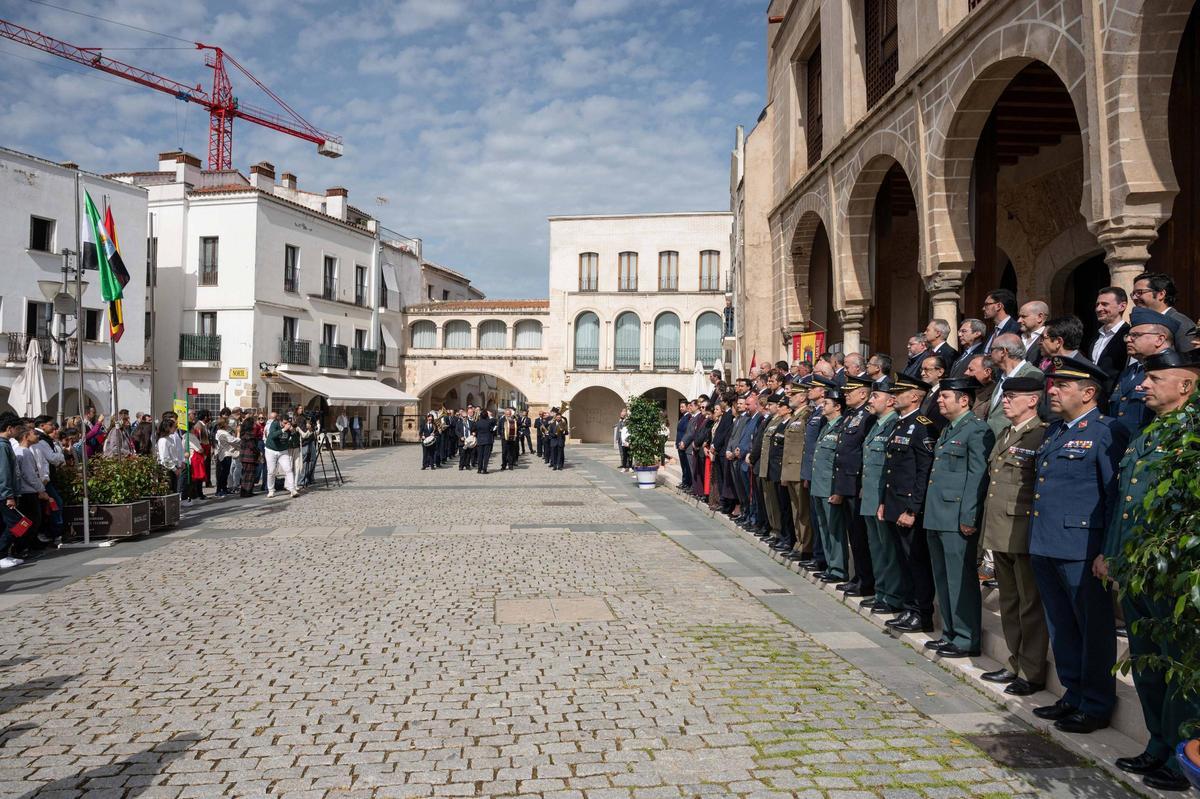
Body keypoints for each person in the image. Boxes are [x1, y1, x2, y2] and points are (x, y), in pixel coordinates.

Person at [1098, 349, 1200, 792]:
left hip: (1172, 572)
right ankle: (1158, 742)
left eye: (1155, 379)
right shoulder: (1147, 432)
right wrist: (1110, 553)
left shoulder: (1191, 434)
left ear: (1186, 385)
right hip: (1137, 569)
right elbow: (1125, 503)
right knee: (1147, 662)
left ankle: (1182, 755)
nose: (1143, 385)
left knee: (1177, 666)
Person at [1030, 356, 1124, 735]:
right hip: (1047, 541)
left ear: (1088, 393)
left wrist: (1108, 549)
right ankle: (1073, 692)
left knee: (1093, 629)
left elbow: (1114, 495)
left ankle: (1097, 703)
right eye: (1053, 385)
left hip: (1083, 547)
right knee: (1061, 625)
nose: (1052, 391)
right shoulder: (1055, 431)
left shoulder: (1107, 431)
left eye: (1062, 386)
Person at [977, 375, 1051, 694]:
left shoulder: (1041, 435)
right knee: (1009, 601)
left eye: (1012, 397)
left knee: (1029, 603)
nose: (1005, 401)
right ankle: (1014, 662)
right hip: (999, 531)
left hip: (1022, 532)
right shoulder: (1007, 433)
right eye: (1004, 396)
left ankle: (1031, 671)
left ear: (1032, 400)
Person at [922, 377, 994, 658]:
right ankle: (950, 632)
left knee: (960, 580)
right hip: (938, 514)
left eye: (945, 396)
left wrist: (969, 516)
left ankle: (966, 638)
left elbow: (978, 477)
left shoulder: (977, 431)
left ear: (964, 400)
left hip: (956, 517)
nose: (939, 400)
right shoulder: (949, 429)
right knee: (943, 577)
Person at [880, 375, 940, 633]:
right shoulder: (899, 424)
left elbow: (923, 472)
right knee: (903, 561)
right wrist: (884, 502)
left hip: (908, 507)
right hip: (894, 503)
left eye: (900, 392)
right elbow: (892, 468)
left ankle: (921, 612)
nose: (894, 396)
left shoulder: (923, 425)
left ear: (915, 396)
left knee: (916, 561)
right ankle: (908, 607)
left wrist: (912, 509)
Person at [831, 373, 877, 598]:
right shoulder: (851, 415)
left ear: (863, 393)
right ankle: (858, 577)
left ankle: (866, 581)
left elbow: (863, 451)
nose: (845, 394)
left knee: (861, 536)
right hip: (846, 481)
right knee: (854, 536)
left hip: (856, 481)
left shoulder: (867, 416)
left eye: (850, 391)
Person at [860, 377, 903, 615]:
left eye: (876, 396)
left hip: (882, 496)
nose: (871, 399)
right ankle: (881, 591)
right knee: (876, 547)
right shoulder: (876, 424)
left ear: (891, 400)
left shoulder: (894, 424)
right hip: (870, 494)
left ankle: (892, 596)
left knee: (888, 549)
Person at [1109, 307, 1176, 441]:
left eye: (1136, 335)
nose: (1128, 340)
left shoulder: (1174, 370)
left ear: (1159, 339)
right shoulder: (1130, 370)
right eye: (1128, 335)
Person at [809, 380, 847, 584]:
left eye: (827, 403)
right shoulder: (826, 426)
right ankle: (830, 564)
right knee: (823, 526)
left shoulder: (841, 426)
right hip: (819, 484)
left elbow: (839, 461)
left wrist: (837, 489)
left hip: (830, 486)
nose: (823, 405)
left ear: (837, 406)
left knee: (834, 528)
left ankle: (839, 568)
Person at [985, 334, 1043, 436]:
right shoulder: (1002, 376)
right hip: (995, 441)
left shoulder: (1032, 374)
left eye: (992, 350)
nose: (989, 355)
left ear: (1003, 351)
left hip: (1015, 440)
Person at [1131, 271, 1195, 352]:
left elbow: (1189, 360)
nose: (1134, 298)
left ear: (1161, 294)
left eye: (1139, 292)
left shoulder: (1180, 323)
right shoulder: (1141, 322)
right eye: (1133, 294)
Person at [1086, 287, 1131, 381]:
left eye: (1104, 304)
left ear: (1122, 306)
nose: (1098, 309)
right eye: (1097, 304)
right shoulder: (1096, 336)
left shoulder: (1129, 335)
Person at [264, 416, 300, 498]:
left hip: (283, 451)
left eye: (288, 423)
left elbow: (295, 441)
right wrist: (283, 429)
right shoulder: (275, 424)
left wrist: (293, 432)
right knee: (271, 471)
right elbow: (272, 436)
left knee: (288, 469)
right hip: (271, 450)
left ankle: (292, 489)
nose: (286, 425)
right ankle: (271, 490)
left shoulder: (289, 427)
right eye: (284, 423)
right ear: (280, 421)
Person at [982, 288, 1020, 352]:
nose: (983, 308)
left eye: (987, 304)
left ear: (999, 306)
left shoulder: (1016, 330)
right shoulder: (993, 332)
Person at [156, 418, 185, 497]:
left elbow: (174, 455)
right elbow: (165, 458)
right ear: (168, 428)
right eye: (174, 427)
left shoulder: (170, 439)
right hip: (167, 469)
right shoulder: (163, 440)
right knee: (169, 490)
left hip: (173, 468)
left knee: (174, 489)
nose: (175, 428)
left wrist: (179, 464)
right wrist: (174, 469)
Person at [1017, 301, 1049, 365]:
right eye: (1019, 316)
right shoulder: (1016, 335)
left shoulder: (1050, 338)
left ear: (1040, 317)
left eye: (1023, 316)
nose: (1019, 320)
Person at [213, 417, 239, 497]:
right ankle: (219, 490)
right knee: (223, 473)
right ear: (224, 424)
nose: (228, 424)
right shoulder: (223, 433)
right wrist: (238, 433)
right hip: (225, 454)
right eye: (227, 423)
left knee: (225, 473)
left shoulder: (219, 432)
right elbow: (233, 440)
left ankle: (223, 488)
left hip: (223, 453)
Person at [238, 416, 260, 498]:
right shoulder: (249, 435)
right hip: (249, 457)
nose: (255, 424)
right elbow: (252, 446)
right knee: (248, 475)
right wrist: (258, 452)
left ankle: (247, 491)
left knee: (247, 475)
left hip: (246, 457)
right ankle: (246, 492)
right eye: (253, 423)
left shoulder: (245, 433)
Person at [474, 409, 496, 473]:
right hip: (487, 440)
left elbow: (474, 429)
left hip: (480, 440)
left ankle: (479, 469)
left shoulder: (477, 422)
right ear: (487, 416)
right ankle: (484, 469)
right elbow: (492, 429)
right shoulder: (489, 422)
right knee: (486, 456)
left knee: (480, 455)